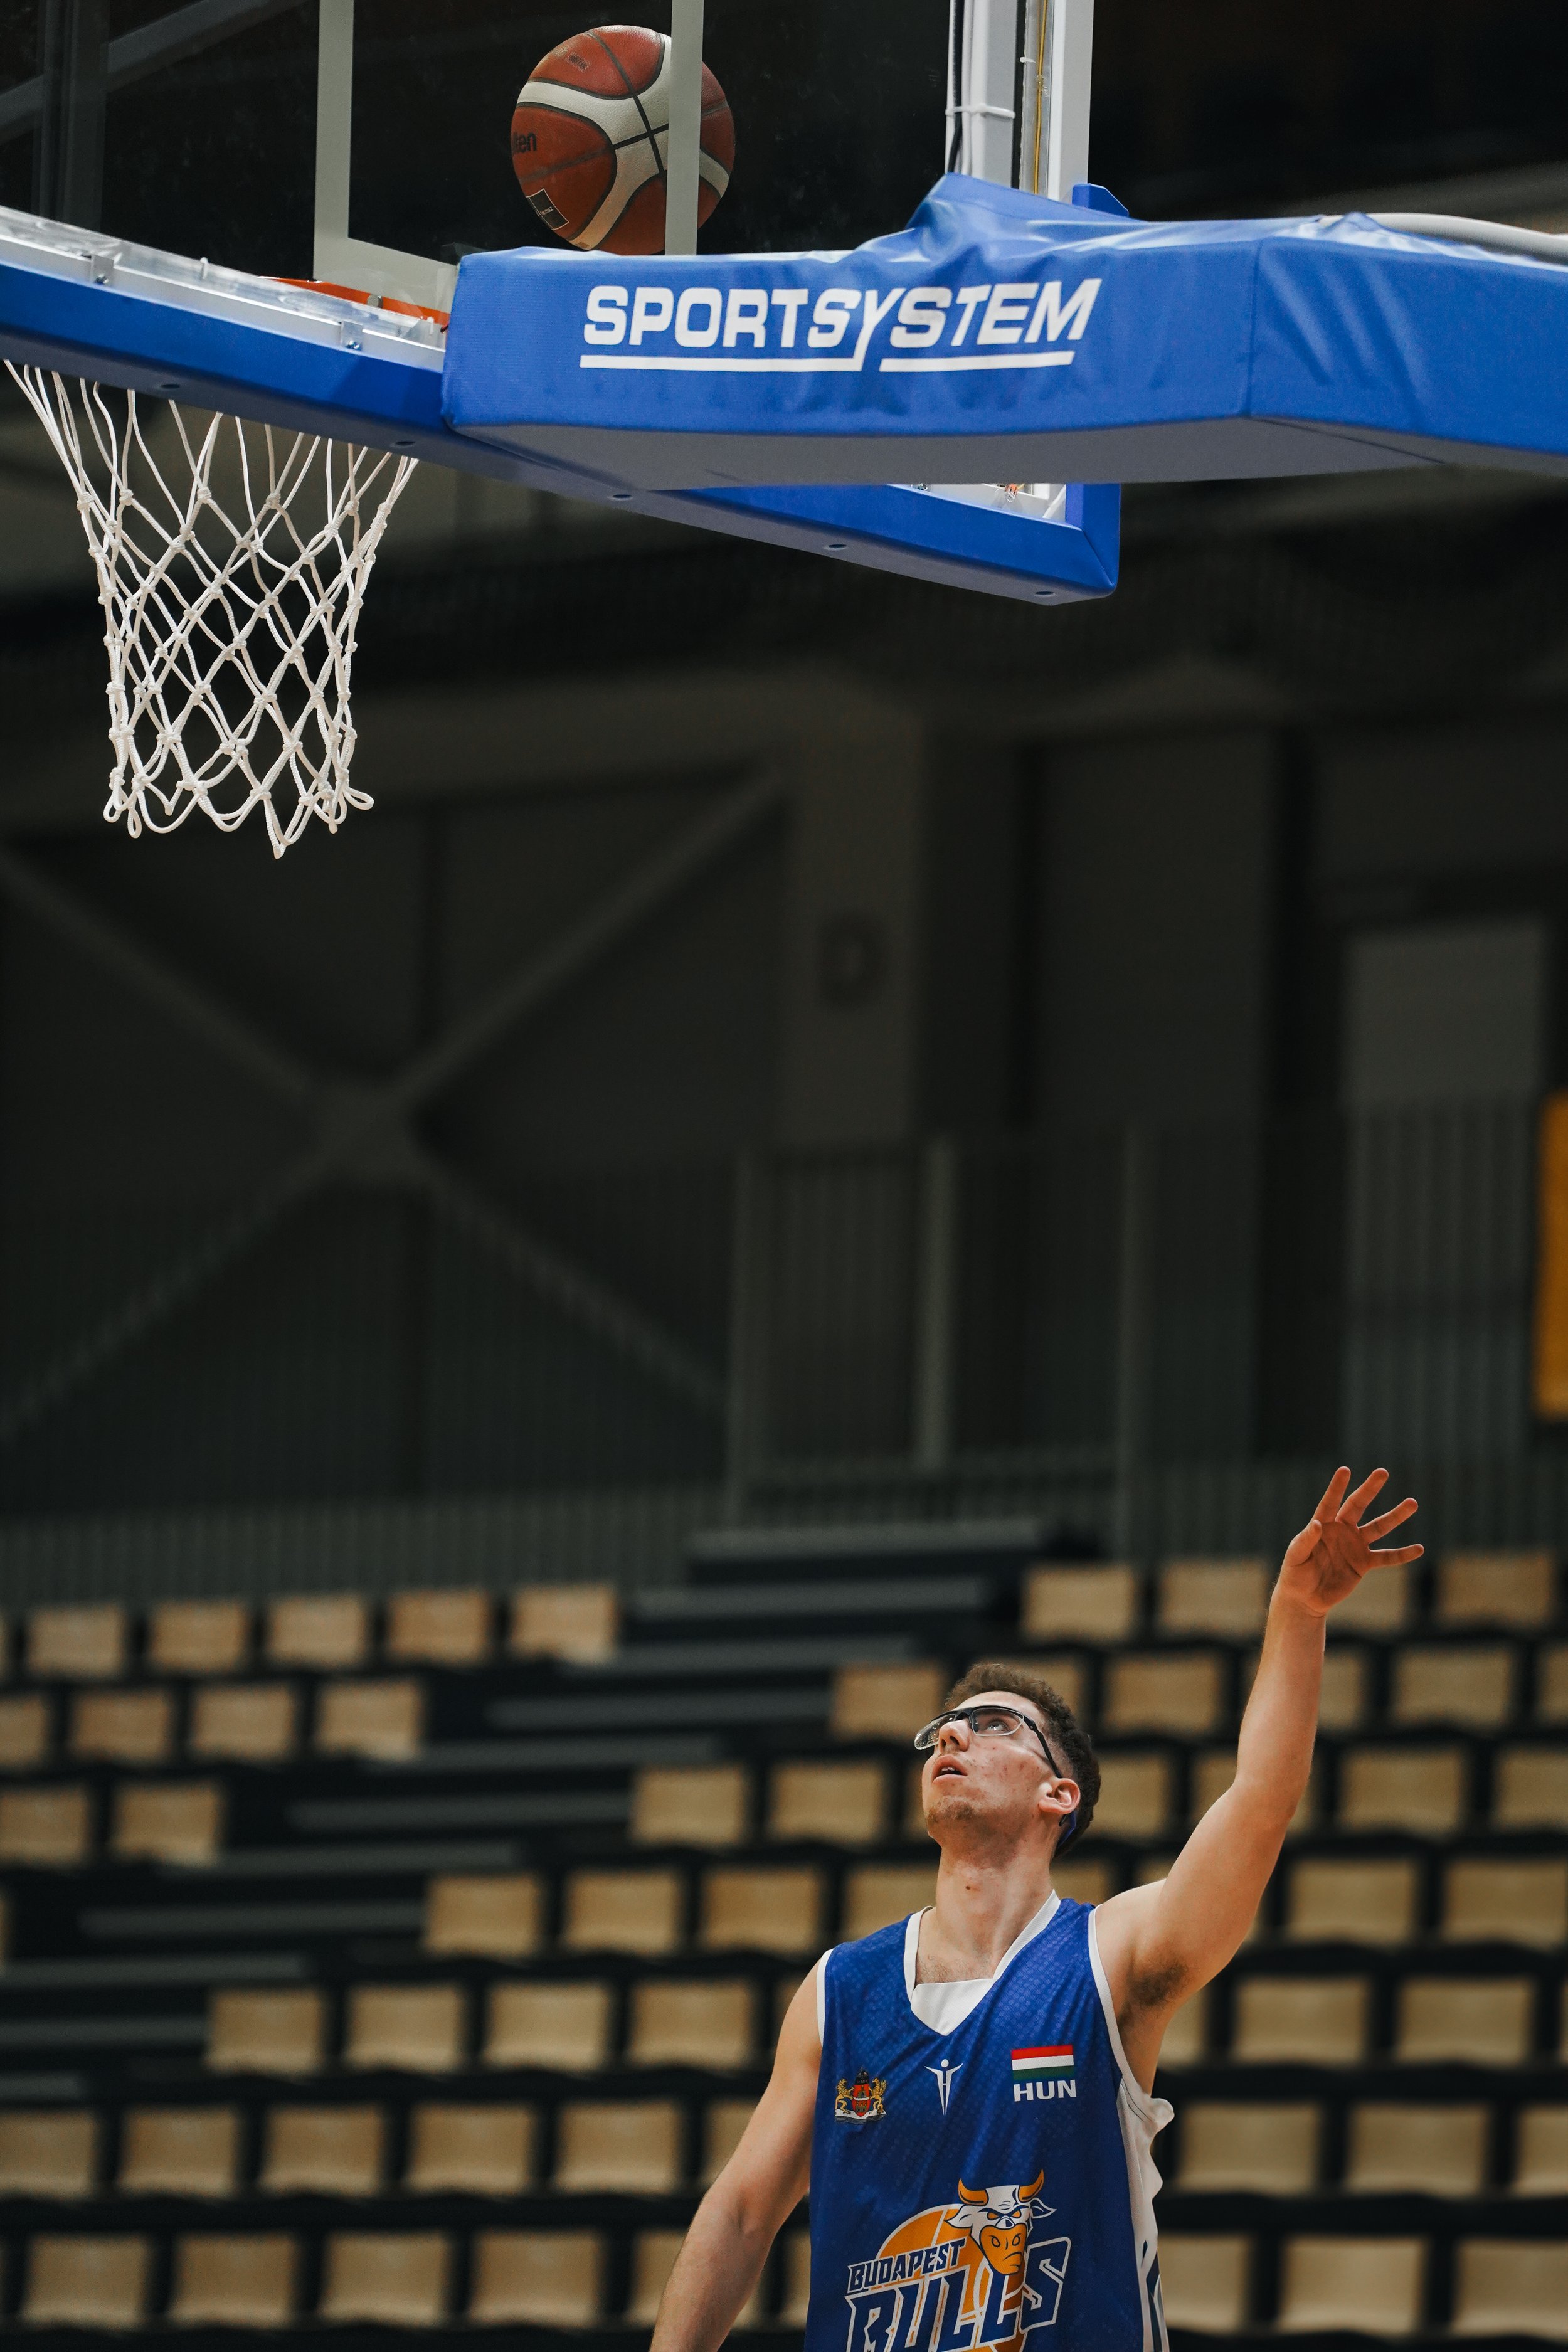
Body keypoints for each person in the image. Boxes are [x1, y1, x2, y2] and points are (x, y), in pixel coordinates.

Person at [650, 1465, 1421, 2352]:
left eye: (995, 1725)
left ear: (1060, 1794)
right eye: (946, 1726)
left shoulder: (1109, 1955)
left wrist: (1298, 1613)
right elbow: (741, 2215)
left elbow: (1260, 1801)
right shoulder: (839, 1990)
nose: (953, 1733)